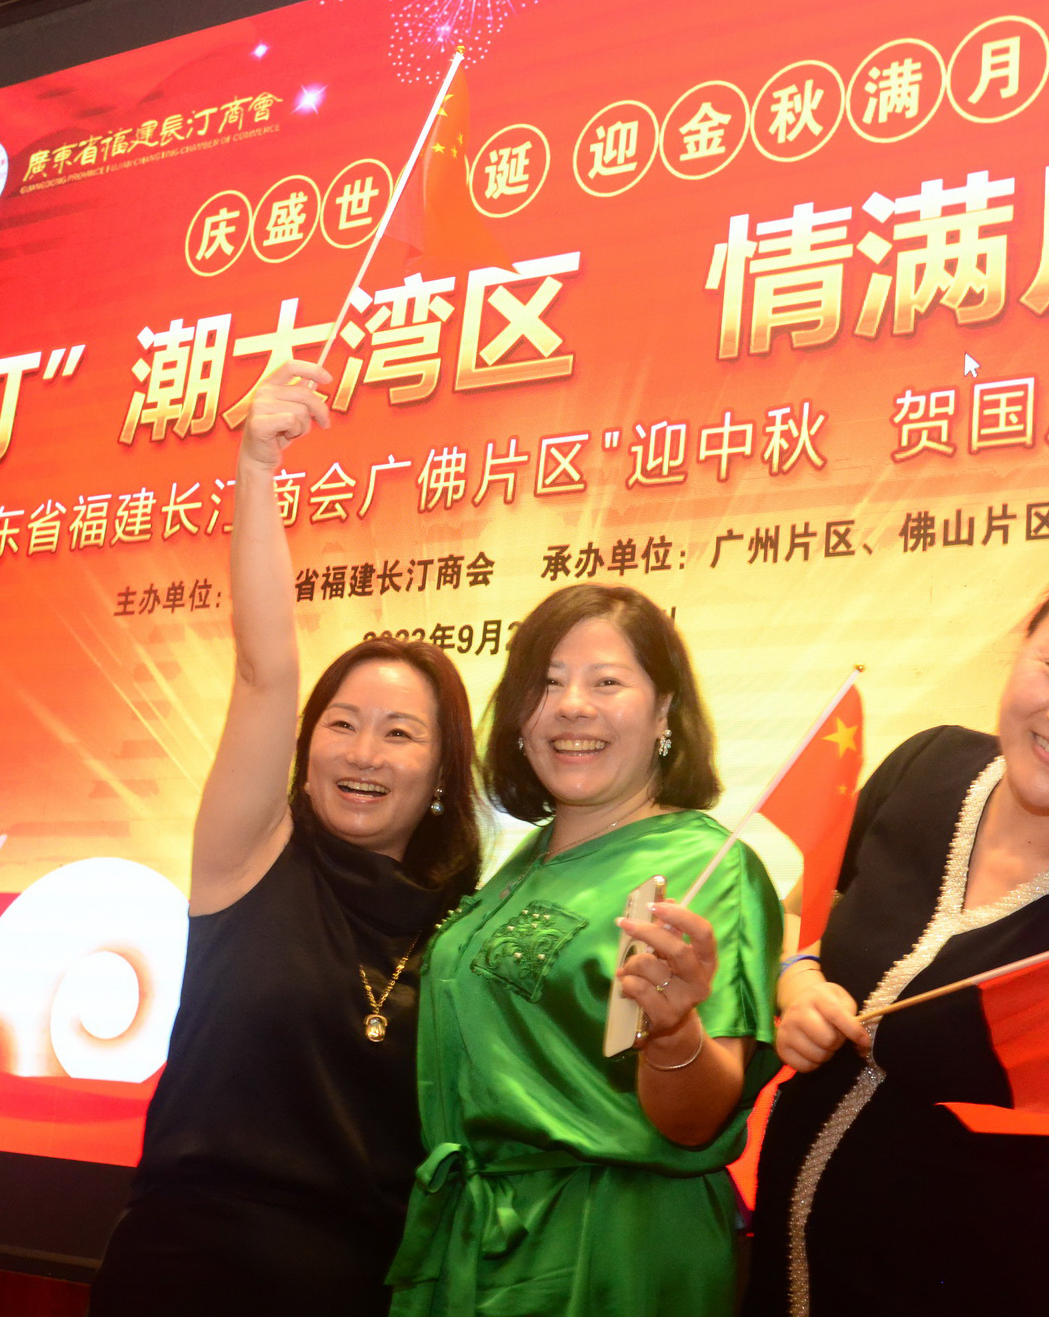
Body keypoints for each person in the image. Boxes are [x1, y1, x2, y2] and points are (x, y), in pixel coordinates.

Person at [745, 559, 1049, 1317]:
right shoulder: (926, 765)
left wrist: (969, 1207)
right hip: (782, 1274)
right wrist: (798, 981)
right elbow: (805, 915)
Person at [91, 361, 482, 1316]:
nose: (364, 752)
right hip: (184, 1271)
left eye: (401, 733)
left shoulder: (462, 930)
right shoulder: (250, 859)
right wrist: (257, 468)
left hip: (362, 1288)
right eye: (342, 723)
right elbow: (265, 670)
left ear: (441, 774)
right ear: (304, 750)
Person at [387, 583, 782, 1317]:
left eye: (606, 682)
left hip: (613, 1245)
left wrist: (673, 1032)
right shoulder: (520, 862)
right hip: (480, 1239)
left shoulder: (705, 867)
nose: (571, 705)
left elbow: (696, 1122)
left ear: (664, 712)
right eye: (547, 682)